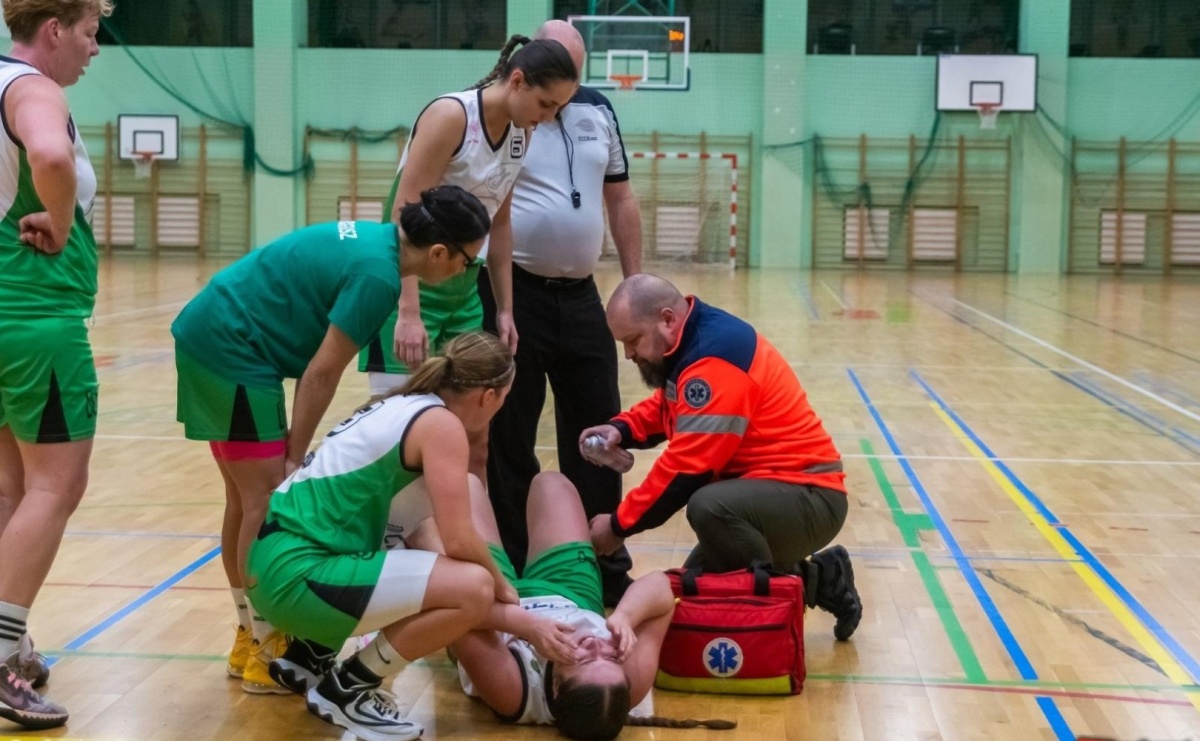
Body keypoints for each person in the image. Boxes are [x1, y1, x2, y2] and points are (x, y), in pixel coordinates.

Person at [171, 186, 490, 694]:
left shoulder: (376, 243)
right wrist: (294, 456)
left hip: (216, 334)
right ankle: (264, 645)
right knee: (263, 499)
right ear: (438, 253)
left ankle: (247, 634)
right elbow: (321, 373)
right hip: (233, 347)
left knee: (242, 499)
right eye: (469, 261)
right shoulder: (378, 278)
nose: (467, 272)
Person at [246, 332, 519, 741]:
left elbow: (415, 530)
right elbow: (460, 541)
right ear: (489, 395)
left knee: (414, 537)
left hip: (270, 564)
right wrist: (504, 589)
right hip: (298, 576)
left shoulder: (402, 404)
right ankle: (348, 687)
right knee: (474, 588)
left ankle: (310, 654)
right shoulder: (443, 426)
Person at [583, 274, 864, 641]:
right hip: (771, 494)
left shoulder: (714, 359)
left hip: (809, 496)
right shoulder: (690, 344)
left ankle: (796, 596)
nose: (629, 354)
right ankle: (822, 578)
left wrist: (617, 526)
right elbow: (670, 406)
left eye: (632, 341)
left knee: (707, 507)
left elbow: (686, 469)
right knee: (687, 598)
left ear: (667, 319)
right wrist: (621, 429)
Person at [358, 34, 578, 478]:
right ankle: (392, 540)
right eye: (546, 103)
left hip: (463, 291)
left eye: (557, 108)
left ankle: (465, 538)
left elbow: (501, 223)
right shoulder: (451, 115)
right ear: (516, 81)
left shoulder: (522, 133)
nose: (549, 117)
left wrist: (507, 311)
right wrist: (408, 309)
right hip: (408, 283)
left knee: (472, 432)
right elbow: (403, 211)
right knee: (397, 426)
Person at [483, 20, 642, 608]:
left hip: (582, 297)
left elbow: (621, 196)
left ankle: (604, 560)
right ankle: (525, 560)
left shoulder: (598, 110)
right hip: (514, 292)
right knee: (509, 432)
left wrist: (634, 286)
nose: (563, 99)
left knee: (600, 430)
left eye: (574, 79)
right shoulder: (511, 110)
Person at [0, 0, 112, 730]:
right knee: (56, 486)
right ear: (54, 31)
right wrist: (64, 218)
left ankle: (15, 637)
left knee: (11, 488)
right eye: (90, 34)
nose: (93, 51)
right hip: (34, 318)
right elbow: (48, 156)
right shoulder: (33, 89)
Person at [411, 471, 674, 741]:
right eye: (609, 657)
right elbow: (661, 587)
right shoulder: (625, 685)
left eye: (582, 658)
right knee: (551, 484)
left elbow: (459, 610)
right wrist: (625, 617)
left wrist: (528, 625)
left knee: (463, 485)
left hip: (490, 608)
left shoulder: (511, 693)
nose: (597, 644)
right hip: (573, 596)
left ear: (556, 687)